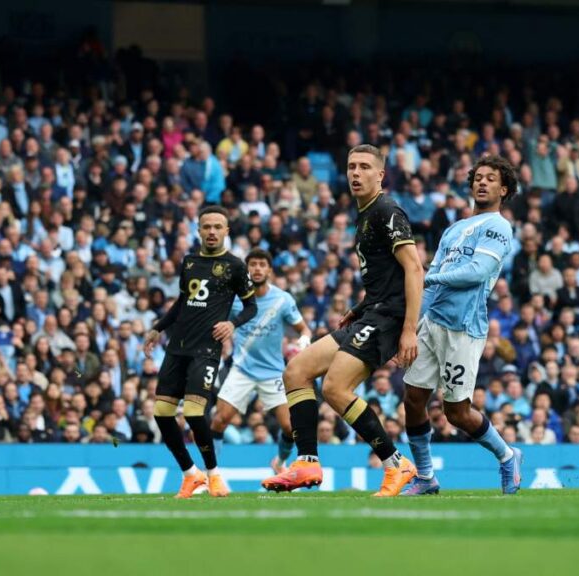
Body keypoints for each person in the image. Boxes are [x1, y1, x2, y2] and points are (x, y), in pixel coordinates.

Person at [262, 144, 423, 497]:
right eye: (351, 166)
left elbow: (414, 269)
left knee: (335, 387)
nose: (356, 173)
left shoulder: (386, 210)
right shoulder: (364, 214)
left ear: (380, 175)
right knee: (296, 371)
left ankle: (396, 464)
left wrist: (409, 329)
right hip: (372, 312)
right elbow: (386, 276)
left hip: (390, 317)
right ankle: (306, 461)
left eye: (364, 166)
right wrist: (360, 306)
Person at [402, 155, 523, 495]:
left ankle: (507, 455)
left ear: (504, 189)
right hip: (433, 324)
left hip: (463, 328)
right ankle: (426, 477)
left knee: (456, 413)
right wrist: (412, 326)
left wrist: (431, 278)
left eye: (491, 179)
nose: (482, 182)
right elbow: (430, 284)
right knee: (413, 399)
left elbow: (477, 272)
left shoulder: (498, 226)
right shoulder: (453, 229)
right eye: (478, 177)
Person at [143, 206, 257, 499]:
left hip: (206, 349)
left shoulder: (235, 266)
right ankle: (190, 475)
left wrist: (232, 324)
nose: (212, 232)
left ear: (226, 231)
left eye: (218, 227)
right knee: (161, 413)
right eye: (207, 227)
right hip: (177, 346)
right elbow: (182, 302)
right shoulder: (190, 262)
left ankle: (214, 474)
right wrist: (158, 328)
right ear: (199, 230)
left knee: (194, 413)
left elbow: (251, 307)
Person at [211, 249, 312, 473]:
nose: (257, 268)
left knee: (290, 427)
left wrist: (303, 342)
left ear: (269, 271)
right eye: (253, 264)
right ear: (246, 270)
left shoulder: (283, 299)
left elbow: (304, 329)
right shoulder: (234, 299)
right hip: (242, 370)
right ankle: (212, 473)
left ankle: (280, 462)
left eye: (262, 264)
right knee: (218, 421)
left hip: (273, 372)